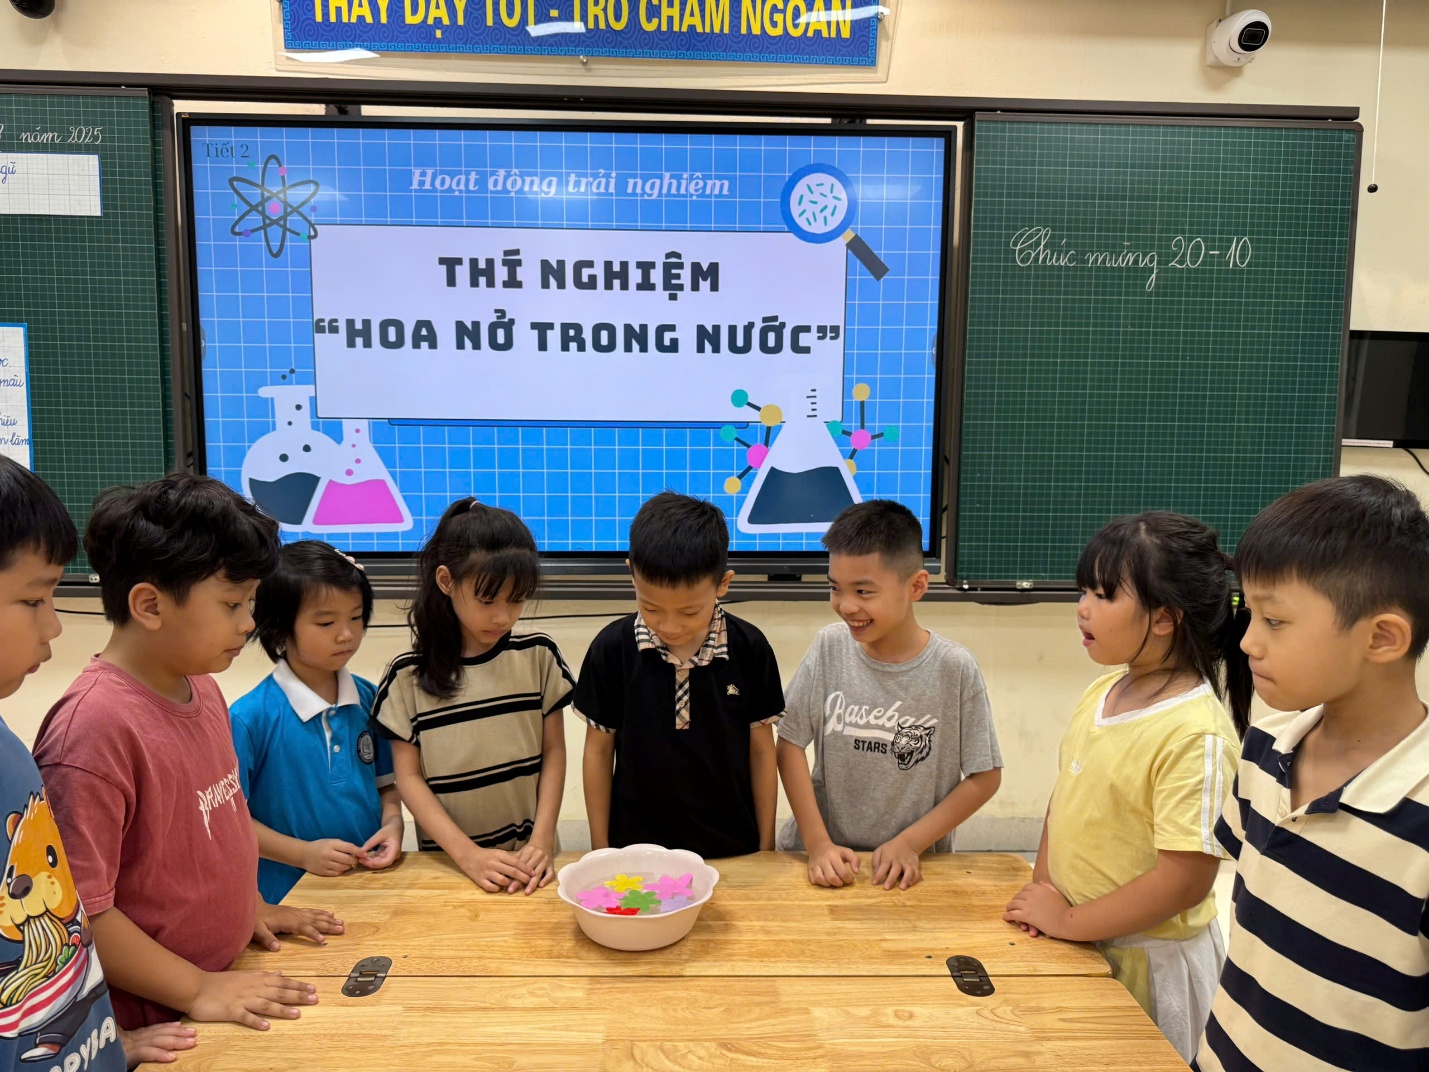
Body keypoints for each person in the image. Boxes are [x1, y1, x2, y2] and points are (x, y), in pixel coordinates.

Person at [33, 473, 342, 1032]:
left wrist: (247, 909)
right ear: (150, 605)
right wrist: (197, 988)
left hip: (226, 981)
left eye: (251, 602)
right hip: (162, 1020)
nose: (249, 623)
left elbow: (217, 827)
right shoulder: (94, 729)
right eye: (232, 604)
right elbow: (81, 914)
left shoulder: (203, 686)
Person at [1195, 476, 1429, 1072]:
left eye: (1275, 621)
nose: (1248, 642)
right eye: (1249, 614)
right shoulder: (1264, 746)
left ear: (1382, 638)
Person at [1003, 512, 1249, 1062]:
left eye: (1104, 595)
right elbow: (1065, 797)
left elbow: (1183, 883)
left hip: (1146, 969)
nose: (1082, 608)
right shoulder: (1105, 690)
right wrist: (1046, 890)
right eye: (1083, 591)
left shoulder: (1197, 734)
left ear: (1164, 618)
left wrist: (1068, 920)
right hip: (1079, 940)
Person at [0, 457, 194, 1069]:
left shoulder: (8, 746)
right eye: (33, 599)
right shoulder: (89, 724)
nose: (54, 626)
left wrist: (106, 1042)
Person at [776, 500, 1003, 891]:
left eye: (864, 591)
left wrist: (910, 843)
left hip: (909, 871)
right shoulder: (829, 647)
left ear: (916, 586)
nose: (846, 605)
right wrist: (817, 844)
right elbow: (790, 742)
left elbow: (985, 776)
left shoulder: (954, 668)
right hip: (823, 861)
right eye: (835, 588)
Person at [373, 499, 571, 894]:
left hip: (532, 863)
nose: (503, 617)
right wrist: (467, 856)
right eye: (487, 600)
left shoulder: (538, 656)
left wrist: (542, 839)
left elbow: (554, 752)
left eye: (516, 599)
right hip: (451, 868)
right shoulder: (406, 677)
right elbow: (408, 778)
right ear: (446, 581)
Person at [576, 491, 784, 859]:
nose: (670, 626)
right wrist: (601, 849)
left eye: (689, 612)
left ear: (723, 583)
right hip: (635, 848)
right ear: (632, 573)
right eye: (651, 608)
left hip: (732, 846)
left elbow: (762, 753)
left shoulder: (750, 648)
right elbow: (597, 751)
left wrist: (765, 847)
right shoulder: (611, 649)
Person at [229, 541, 403, 906]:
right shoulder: (249, 718)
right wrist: (303, 854)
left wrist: (393, 824)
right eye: (326, 623)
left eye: (356, 617)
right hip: (285, 900)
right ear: (278, 628)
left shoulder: (370, 699)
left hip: (369, 890)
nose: (347, 634)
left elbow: (386, 785)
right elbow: (231, 823)